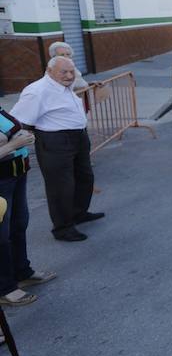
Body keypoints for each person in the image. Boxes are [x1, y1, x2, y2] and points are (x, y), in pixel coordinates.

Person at [11, 56, 104, 242]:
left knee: (84, 178)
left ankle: (78, 213)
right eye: (64, 72)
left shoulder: (65, 85)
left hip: (78, 137)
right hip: (55, 141)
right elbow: (18, 120)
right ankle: (63, 228)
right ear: (49, 71)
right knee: (61, 187)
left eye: (71, 71)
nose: (69, 76)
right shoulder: (37, 91)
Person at [0, 108, 56, 306]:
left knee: (18, 225)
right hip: (2, 180)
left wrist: (23, 136)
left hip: (15, 174)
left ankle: (22, 271)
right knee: (1, 236)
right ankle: (5, 288)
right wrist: (14, 144)